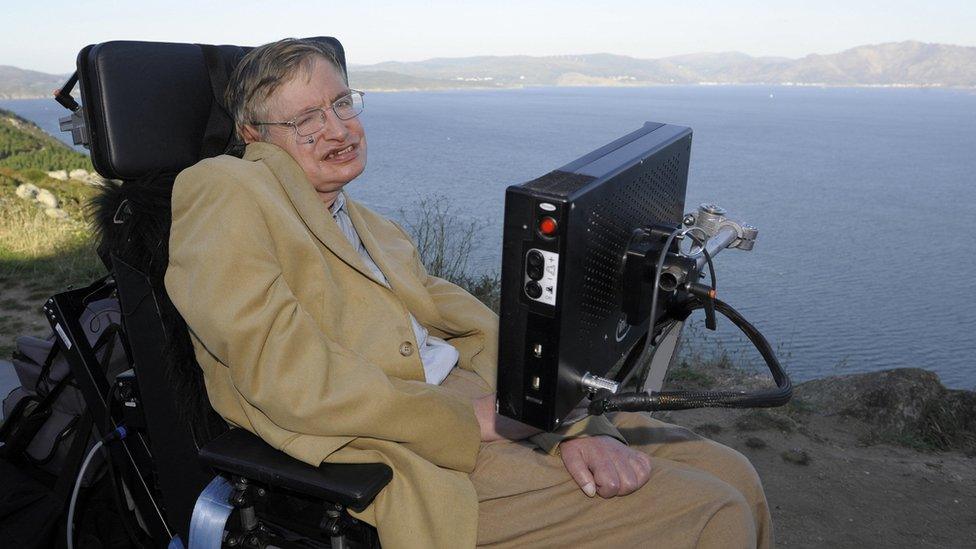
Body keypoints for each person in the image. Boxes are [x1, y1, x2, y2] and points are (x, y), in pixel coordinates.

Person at [165, 38, 771, 548]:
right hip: (401, 437)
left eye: (342, 104)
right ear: (253, 135)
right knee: (711, 512)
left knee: (732, 472)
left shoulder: (365, 222)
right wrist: (477, 419)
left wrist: (570, 422)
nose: (338, 129)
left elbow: (477, 327)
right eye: (306, 120)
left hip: (483, 401)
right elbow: (286, 375)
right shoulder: (224, 187)